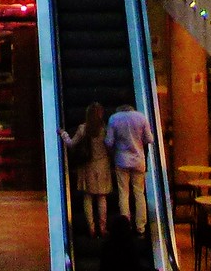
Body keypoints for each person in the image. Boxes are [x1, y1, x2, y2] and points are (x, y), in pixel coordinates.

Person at [61, 102, 113, 236]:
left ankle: (91, 228)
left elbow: (71, 144)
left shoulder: (83, 129)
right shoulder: (105, 129)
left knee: (88, 197)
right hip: (103, 165)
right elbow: (110, 146)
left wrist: (63, 134)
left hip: (87, 166)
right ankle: (102, 227)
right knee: (102, 197)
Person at [104, 99, 153, 234]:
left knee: (123, 193)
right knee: (139, 193)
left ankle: (125, 225)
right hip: (138, 160)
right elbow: (150, 139)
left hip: (121, 160)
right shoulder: (141, 117)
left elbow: (109, 142)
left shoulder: (114, 118)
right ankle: (140, 226)